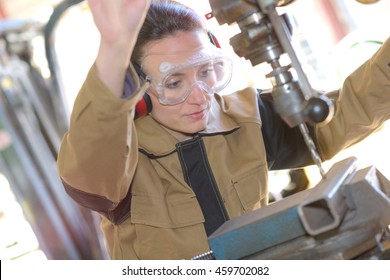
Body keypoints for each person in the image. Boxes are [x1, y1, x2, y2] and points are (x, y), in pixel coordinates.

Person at [57, 0, 390, 260]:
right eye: (174, 82)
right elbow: (90, 153)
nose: (201, 95)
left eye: (206, 71)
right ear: (138, 91)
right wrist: (113, 49)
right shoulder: (120, 161)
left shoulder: (246, 118)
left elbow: (345, 114)